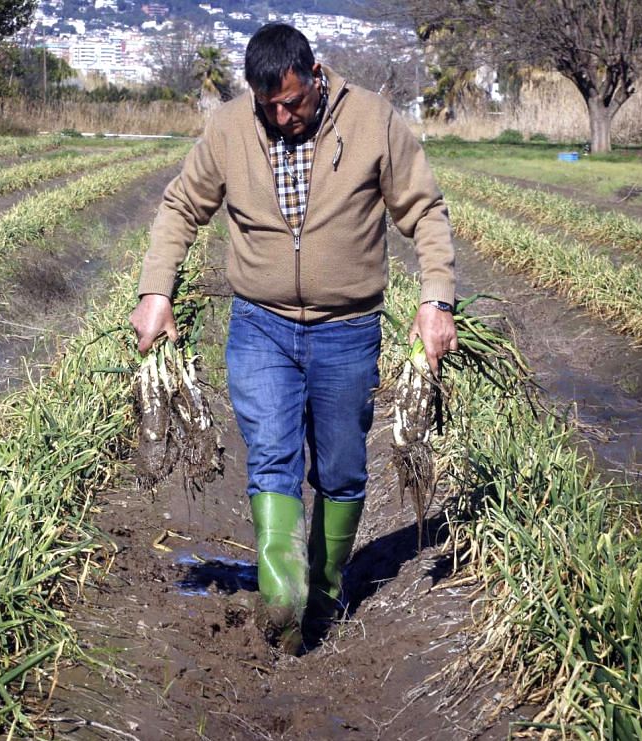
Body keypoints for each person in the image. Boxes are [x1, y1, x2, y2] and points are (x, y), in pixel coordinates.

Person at [129, 23, 458, 654]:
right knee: (272, 458)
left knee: (340, 469)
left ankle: (325, 588)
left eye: (293, 102)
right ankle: (283, 604)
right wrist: (155, 292)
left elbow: (425, 211)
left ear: (314, 74)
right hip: (261, 324)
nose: (282, 116)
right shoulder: (229, 129)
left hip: (348, 329)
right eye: (268, 106)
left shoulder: (371, 121)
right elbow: (180, 207)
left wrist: (435, 299)